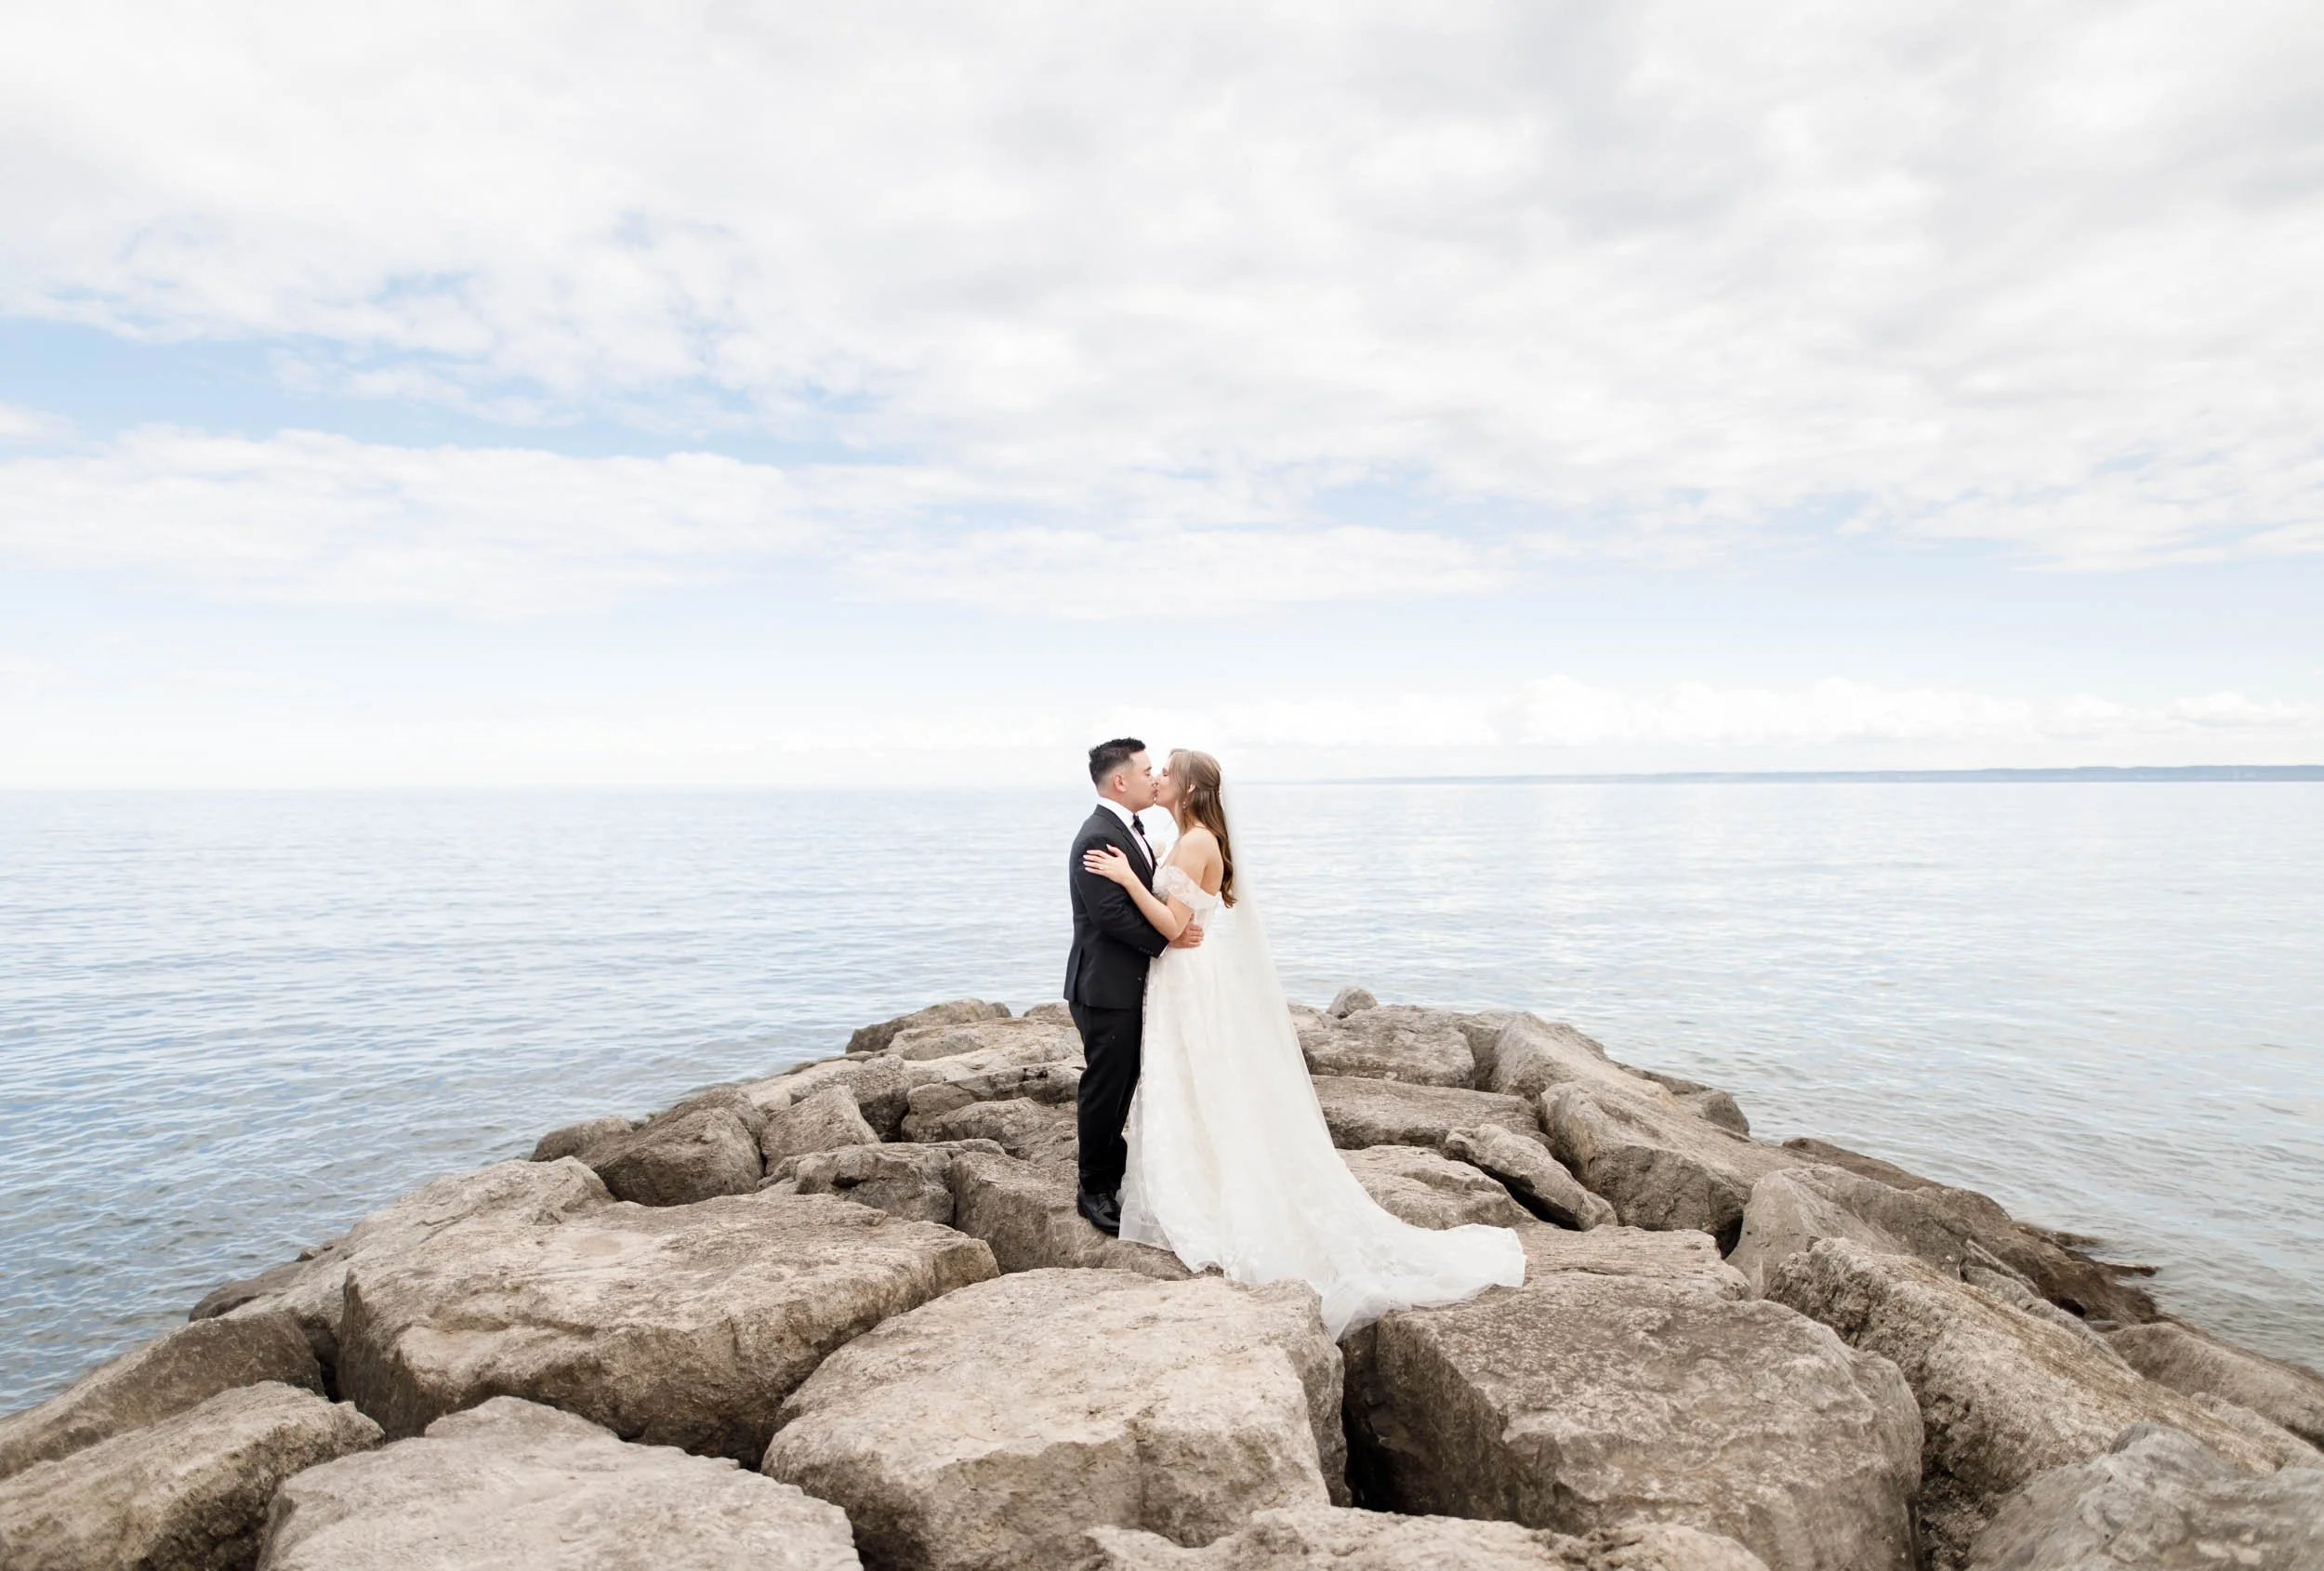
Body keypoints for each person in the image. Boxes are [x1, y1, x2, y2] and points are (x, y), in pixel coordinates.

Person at [1079, 746, 1525, 1336]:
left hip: (1188, 974)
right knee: (1189, 1077)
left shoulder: (1195, 843)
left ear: (1187, 791)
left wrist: (1127, 880)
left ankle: (1209, 1188)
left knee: (1197, 1077)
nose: (1155, 777)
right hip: (1184, 975)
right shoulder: (1187, 837)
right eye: (1150, 771)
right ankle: (1191, 1173)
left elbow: (1174, 927)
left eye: (1165, 773)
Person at [1064, 738, 1202, 1236]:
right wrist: (1171, 936)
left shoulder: (1130, 830)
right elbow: (1110, 915)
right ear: (1120, 780)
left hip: (1126, 984)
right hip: (1104, 987)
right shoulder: (1096, 836)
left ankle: (1113, 1168)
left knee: (1124, 1082)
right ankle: (1092, 1189)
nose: (1154, 778)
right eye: (1146, 771)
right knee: (1105, 1087)